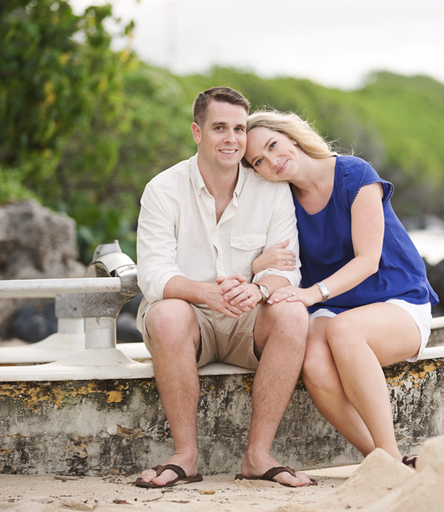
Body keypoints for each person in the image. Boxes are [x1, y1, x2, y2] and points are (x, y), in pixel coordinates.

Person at [134, 87, 313, 488]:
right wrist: (205, 292)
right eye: (219, 128)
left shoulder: (271, 190)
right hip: (189, 322)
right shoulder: (163, 190)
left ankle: (258, 456)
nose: (232, 139)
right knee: (166, 312)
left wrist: (260, 290)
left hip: (246, 321)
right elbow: (153, 273)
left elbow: (287, 269)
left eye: (238, 128)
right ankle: (185, 457)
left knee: (291, 311)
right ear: (198, 132)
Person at [243, 110, 439, 467]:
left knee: (344, 331)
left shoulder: (355, 174)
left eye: (273, 145)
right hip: (334, 306)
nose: (273, 160)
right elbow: (262, 255)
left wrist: (310, 295)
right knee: (314, 362)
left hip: (397, 298)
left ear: (291, 137)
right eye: (259, 160)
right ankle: (381, 461)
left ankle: (391, 455)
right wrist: (258, 266)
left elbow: (368, 260)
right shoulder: (281, 200)